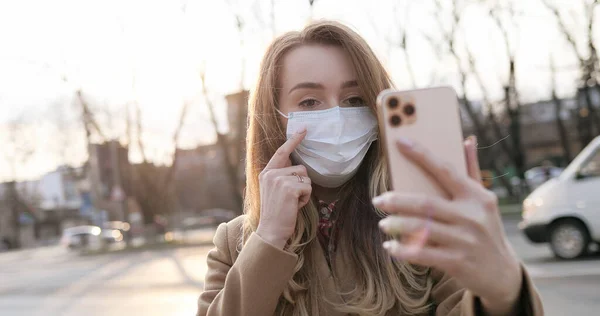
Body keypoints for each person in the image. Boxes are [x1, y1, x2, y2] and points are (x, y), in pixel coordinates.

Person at [197, 21, 543, 316]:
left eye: (354, 100)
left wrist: (504, 292)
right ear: (276, 119)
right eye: (309, 102)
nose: (336, 116)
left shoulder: (420, 222)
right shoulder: (236, 242)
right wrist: (270, 237)